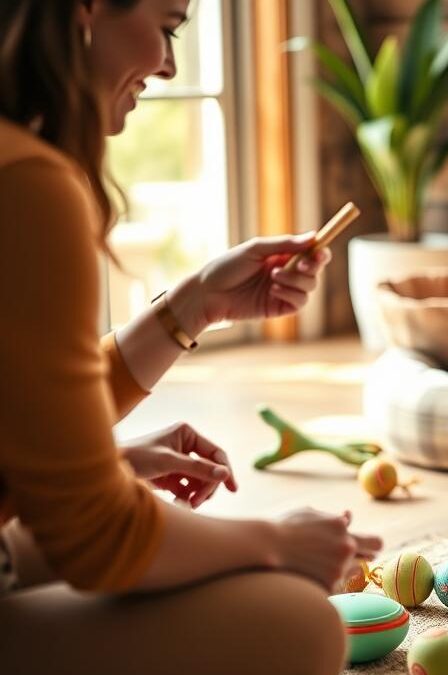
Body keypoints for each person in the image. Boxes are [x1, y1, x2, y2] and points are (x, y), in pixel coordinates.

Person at [0, 1, 382, 673]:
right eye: (168, 26)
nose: (170, 63)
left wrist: (197, 302)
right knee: (298, 623)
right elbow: (96, 539)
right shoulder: (28, 185)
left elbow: (21, 391)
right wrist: (275, 541)